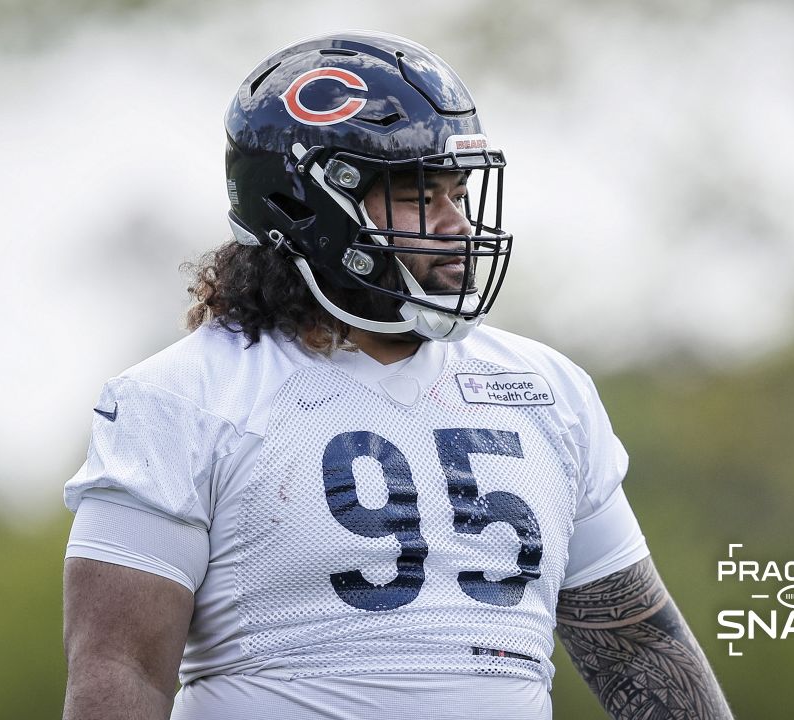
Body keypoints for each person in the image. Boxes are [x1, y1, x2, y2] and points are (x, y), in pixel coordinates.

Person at [61, 30, 732, 720]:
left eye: (457, 192)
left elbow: (638, 655)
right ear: (306, 210)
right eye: (419, 197)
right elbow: (122, 672)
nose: (456, 225)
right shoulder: (180, 399)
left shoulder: (546, 391)